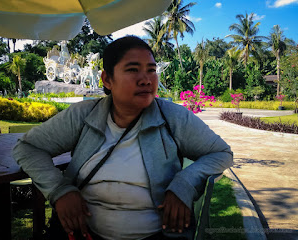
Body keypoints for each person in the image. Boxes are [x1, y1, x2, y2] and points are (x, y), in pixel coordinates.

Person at [13, 36, 233, 240]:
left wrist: (185, 183)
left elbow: (221, 153)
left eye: (151, 70)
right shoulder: (83, 115)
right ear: (107, 79)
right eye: (133, 70)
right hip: (84, 234)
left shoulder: (173, 117)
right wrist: (59, 191)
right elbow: (28, 148)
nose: (146, 80)